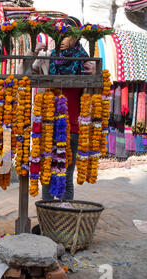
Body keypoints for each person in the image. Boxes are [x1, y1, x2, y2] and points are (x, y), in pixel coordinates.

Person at [31, 17, 96, 202]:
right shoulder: (47, 58)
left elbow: (97, 89)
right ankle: (47, 215)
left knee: (66, 176)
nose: (63, 39)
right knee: (47, 172)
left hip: (73, 128)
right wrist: (33, 53)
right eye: (60, 35)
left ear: (76, 37)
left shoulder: (86, 61)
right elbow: (25, 74)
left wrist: (95, 72)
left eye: (68, 35)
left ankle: (64, 217)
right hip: (48, 125)